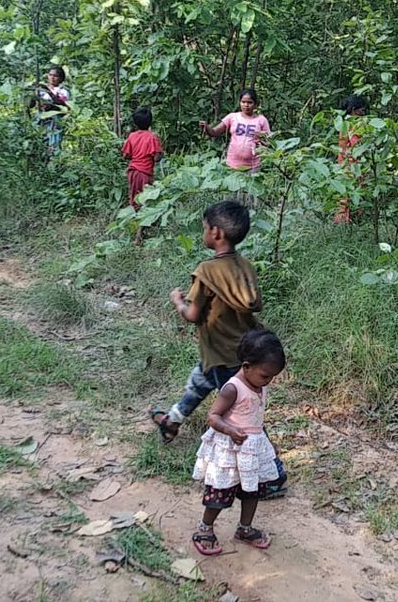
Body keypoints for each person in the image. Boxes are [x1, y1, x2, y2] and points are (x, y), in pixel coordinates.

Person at [151, 200, 262, 440]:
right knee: (199, 382)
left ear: (216, 232)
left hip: (220, 354)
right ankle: (171, 421)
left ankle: (265, 460)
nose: (204, 232)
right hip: (241, 350)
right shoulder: (246, 267)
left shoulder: (206, 270)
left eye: (204, 227)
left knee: (238, 410)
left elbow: (192, 316)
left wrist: (178, 301)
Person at [189, 328, 287, 554]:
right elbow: (213, 417)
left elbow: (255, 418)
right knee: (220, 492)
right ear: (246, 367)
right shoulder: (233, 388)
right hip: (229, 451)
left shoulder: (258, 384)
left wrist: (266, 443)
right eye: (265, 375)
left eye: (272, 377)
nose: (268, 381)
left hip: (251, 450)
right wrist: (231, 430)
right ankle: (205, 529)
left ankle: (245, 528)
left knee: (252, 491)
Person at [199, 88, 271, 172]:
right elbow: (215, 132)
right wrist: (206, 127)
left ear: (255, 104)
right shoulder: (232, 117)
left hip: (253, 166)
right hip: (232, 164)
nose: (246, 105)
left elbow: (269, 141)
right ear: (239, 103)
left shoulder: (261, 120)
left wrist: (262, 145)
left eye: (249, 102)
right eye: (243, 102)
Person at [122, 107, 164, 244]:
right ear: (150, 122)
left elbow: (125, 155)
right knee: (146, 201)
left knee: (135, 200)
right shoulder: (152, 137)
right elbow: (157, 158)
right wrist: (160, 154)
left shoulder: (132, 136)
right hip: (145, 173)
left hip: (133, 172)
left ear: (135, 123)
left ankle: (138, 228)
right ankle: (139, 234)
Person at [335, 94, 368, 224]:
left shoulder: (343, 124)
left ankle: (343, 222)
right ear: (354, 110)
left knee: (344, 196)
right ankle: (351, 222)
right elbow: (356, 146)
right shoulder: (354, 125)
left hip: (343, 164)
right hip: (354, 166)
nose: (364, 113)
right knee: (354, 196)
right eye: (362, 110)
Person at [32, 66, 71, 157]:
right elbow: (31, 105)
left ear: (61, 78)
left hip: (55, 119)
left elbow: (61, 105)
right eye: (50, 75)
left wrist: (48, 92)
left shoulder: (63, 91)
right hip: (41, 118)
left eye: (55, 76)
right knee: (39, 141)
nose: (52, 78)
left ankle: (54, 164)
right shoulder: (41, 90)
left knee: (54, 144)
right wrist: (33, 94)